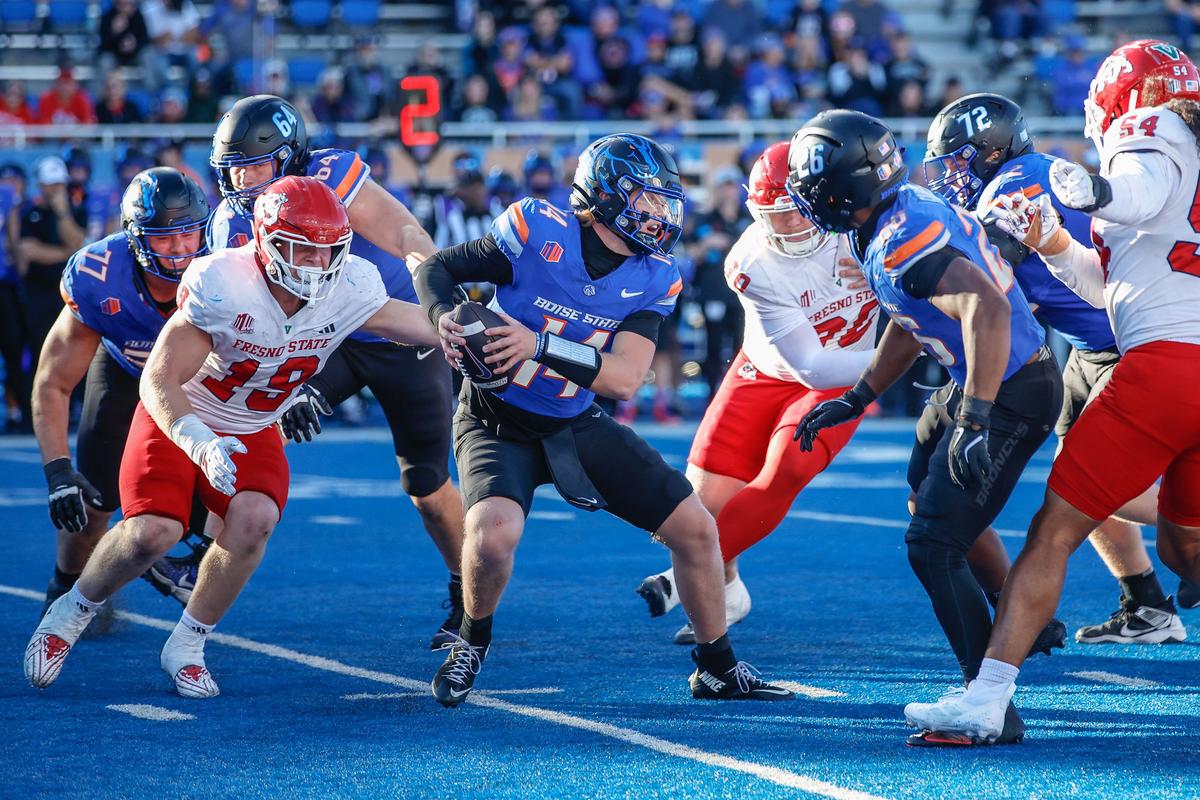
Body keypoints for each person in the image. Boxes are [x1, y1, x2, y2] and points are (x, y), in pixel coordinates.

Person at [414, 133, 794, 706]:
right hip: (496, 418)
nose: (661, 214)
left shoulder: (655, 274)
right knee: (493, 536)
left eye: (665, 202)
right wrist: (443, 316)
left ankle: (717, 667)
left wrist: (537, 344)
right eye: (649, 199)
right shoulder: (537, 230)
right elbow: (437, 269)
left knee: (695, 528)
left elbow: (624, 379)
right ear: (608, 195)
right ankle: (471, 640)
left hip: (574, 418)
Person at [24, 176, 441, 698]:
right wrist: (196, 439)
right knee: (153, 532)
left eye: (327, 250)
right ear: (267, 242)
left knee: (256, 518)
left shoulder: (350, 285)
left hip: (252, 421)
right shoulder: (223, 281)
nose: (316, 264)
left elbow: (419, 323)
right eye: (302, 249)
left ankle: (188, 644)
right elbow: (158, 379)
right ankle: (72, 609)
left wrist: (477, 328)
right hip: (186, 410)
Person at [904, 39, 1200, 744]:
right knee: (1185, 551)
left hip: (1164, 367)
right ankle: (1147, 601)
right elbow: (1111, 288)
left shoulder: (1152, 130)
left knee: (1053, 531)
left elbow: (1134, 191)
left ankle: (986, 700)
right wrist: (1059, 245)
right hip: (1166, 349)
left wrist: (1094, 191)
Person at [789, 110, 1065, 746]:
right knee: (924, 493)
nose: (807, 201)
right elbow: (910, 315)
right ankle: (1022, 617)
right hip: (979, 377)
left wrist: (975, 417)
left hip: (1009, 388)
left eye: (813, 189)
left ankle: (987, 702)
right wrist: (859, 396)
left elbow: (985, 308)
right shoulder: (894, 214)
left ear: (842, 191)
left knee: (932, 543)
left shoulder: (898, 238)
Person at [924, 92, 1186, 644]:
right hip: (1090, 343)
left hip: (1126, 343)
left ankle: (1191, 531)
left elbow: (991, 277)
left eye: (958, 161)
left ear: (993, 150)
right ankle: (1146, 603)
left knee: (1089, 488)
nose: (950, 176)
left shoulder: (1013, 185)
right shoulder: (1027, 174)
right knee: (1075, 473)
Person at [206, 95, 466, 648]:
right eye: (234, 169)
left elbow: (406, 234)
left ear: (290, 158)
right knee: (239, 426)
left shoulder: (331, 176)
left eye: (255, 166)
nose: (243, 181)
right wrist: (290, 379)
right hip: (327, 335)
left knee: (425, 482)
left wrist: (438, 301)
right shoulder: (232, 219)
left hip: (399, 328)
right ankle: (197, 548)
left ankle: (469, 589)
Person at [636, 142, 879, 644]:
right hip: (771, 368)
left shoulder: (867, 222)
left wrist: (884, 265)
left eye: (793, 210)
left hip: (844, 371)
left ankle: (681, 580)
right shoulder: (753, 260)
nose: (783, 225)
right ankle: (727, 592)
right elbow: (809, 365)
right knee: (700, 505)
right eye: (772, 214)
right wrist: (888, 364)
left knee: (787, 465)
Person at [32, 168, 212, 625]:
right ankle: (65, 584)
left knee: (223, 497)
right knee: (92, 498)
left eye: (189, 233)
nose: (181, 248)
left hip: (201, 386)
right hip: (125, 373)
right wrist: (58, 471)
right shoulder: (99, 275)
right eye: (164, 237)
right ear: (135, 238)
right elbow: (53, 381)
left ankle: (180, 560)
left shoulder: (227, 261)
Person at [20, 158, 88, 409]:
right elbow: (28, 251)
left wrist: (62, 212)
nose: (55, 189)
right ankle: (37, 408)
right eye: (50, 184)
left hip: (70, 294)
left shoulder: (76, 210)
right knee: (39, 351)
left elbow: (78, 242)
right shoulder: (30, 213)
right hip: (38, 294)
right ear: (40, 184)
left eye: (59, 183)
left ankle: (74, 408)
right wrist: (67, 252)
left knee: (75, 351)